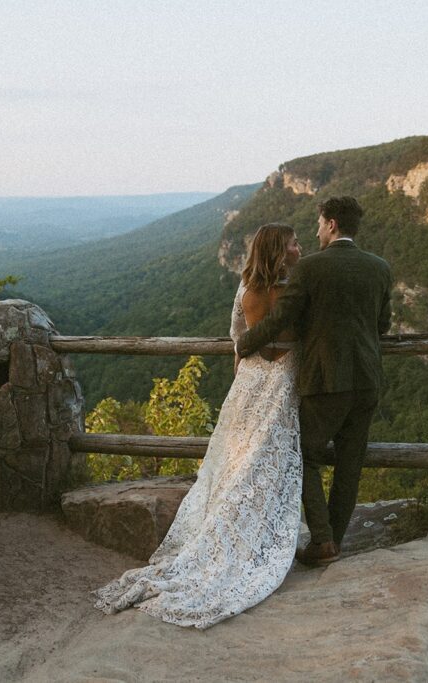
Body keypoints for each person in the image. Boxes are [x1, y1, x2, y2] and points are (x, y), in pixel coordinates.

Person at [93, 223, 304, 629]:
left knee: (238, 459)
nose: (301, 247)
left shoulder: (246, 291)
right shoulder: (296, 292)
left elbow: (237, 340)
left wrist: (242, 379)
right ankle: (261, 534)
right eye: (295, 243)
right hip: (283, 382)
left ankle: (225, 527)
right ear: (280, 250)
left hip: (252, 380)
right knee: (270, 462)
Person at [237, 196, 392, 566]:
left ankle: (322, 539)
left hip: (325, 378)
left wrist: (244, 343)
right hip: (368, 380)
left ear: (333, 224)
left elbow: (281, 318)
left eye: (320, 224)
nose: (317, 231)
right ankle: (333, 542)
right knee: (350, 465)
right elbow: (382, 325)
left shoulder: (309, 268)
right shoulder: (380, 267)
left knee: (303, 455)